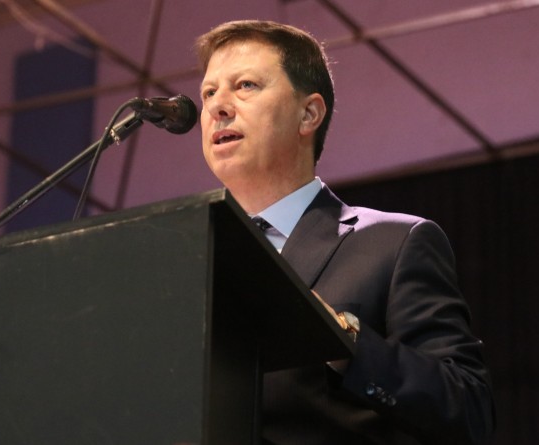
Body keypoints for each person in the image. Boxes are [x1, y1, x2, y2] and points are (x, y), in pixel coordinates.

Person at [195, 20, 495, 445]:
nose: (217, 107)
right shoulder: (188, 258)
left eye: (245, 85)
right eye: (209, 93)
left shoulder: (394, 244)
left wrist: (344, 339)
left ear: (308, 114)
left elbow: (468, 409)